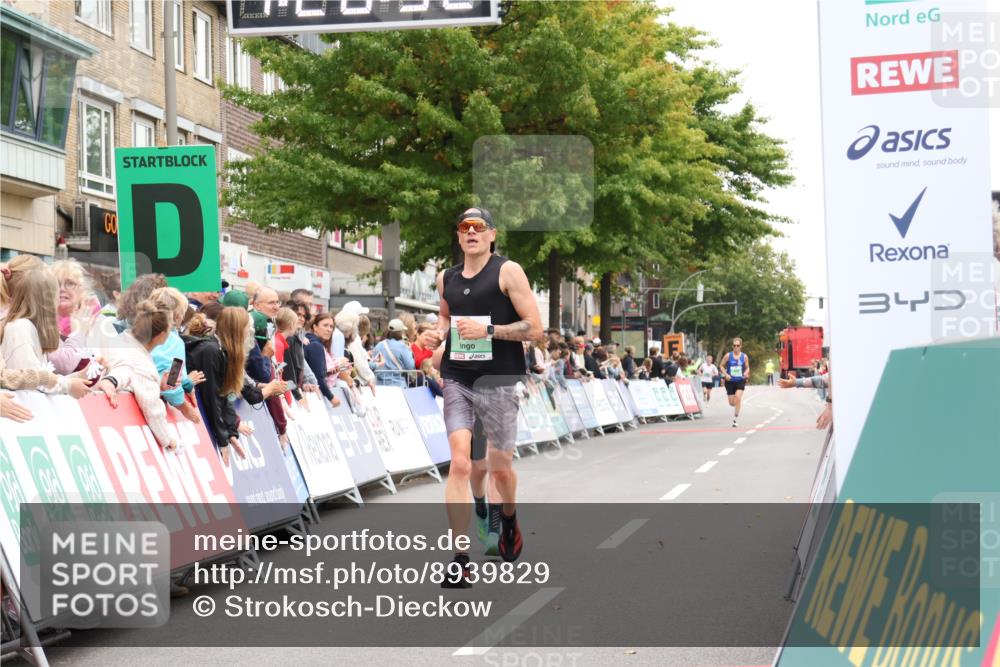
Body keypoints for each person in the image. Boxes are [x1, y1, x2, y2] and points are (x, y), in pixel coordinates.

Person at [437, 207, 543, 585]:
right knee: (461, 464)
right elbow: (446, 319)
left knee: (499, 469)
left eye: (478, 227)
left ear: (491, 235)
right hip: (458, 379)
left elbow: (534, 328)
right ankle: (460, 558)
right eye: (464, 227)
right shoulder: (445, 277)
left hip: (498, 381)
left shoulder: (507, 271)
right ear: (458, 235)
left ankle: (509, 517)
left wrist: (489, 331)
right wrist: (440, 339)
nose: (470, 233)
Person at [94, 300, 189, 451]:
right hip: (109, 435)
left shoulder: (119, 341)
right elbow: (152, 409)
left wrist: (159, 385)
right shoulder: (143, 365)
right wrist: (170, 441)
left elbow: (134, 380)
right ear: (162, 335)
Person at [0, 268, 90, 397]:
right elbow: (31, 380)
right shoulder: (20, 327)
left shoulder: (29, 327)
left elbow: (37, 377)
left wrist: (74, 378)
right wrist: (68, 385)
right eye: (56, 293)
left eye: (70, 283)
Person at [183, 307, 250, 465]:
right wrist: (222, 439)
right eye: (248, 327)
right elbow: (211, 397)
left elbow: (225, 394)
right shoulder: (211, 351)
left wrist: (231, 432)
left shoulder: (222, 350)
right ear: (238, 329)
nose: (250, 331)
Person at [146, 288, 204, 424]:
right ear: (177, 316)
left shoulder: (135, 329)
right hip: (154, 406)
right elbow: (171, 380)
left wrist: (187, 383)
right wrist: (184, 407)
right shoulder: (174, 342)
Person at [303, 311, 341, 407]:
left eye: (331, 327)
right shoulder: (315, 345)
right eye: (325, 325)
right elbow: (318, 377)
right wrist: (331, 398)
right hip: (310, 394)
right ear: (315, 327)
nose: (329, 329)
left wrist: (328, 372)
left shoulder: (310, 341)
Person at [273, 307, 306, 406]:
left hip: (282, 391)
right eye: (296, 324)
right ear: (291, 325)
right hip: (281, 394)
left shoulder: (280, 342)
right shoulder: (278, 344)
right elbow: (279, 374)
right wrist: (288, 399)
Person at [373, 318, 415, 387]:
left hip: (380, 385)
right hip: (397, 384)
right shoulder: (402, 346)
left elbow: (374, 363)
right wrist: (410, 351)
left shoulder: (379, 345)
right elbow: (410, 366)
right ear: (400, 332)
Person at [721, 337, 750, 427]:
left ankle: (735, 418)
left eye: (738, 345)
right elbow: (721, 366)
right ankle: (736, 405)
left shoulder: (744, 356)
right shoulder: (728, 356)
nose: (736, 347)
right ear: (732, 346)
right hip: (730, 381)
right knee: (732, 403)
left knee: (738, 397)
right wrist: (726, 374)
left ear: (741, 346)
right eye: (734, 345)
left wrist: (746, 372)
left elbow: (748, 367)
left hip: (740, 380)